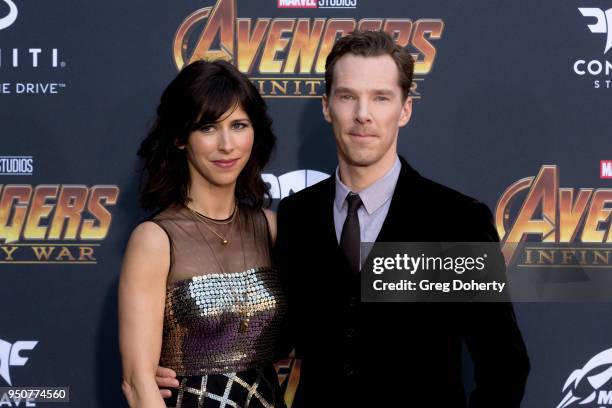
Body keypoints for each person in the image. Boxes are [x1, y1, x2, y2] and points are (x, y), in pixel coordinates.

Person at [157, 31, 530, 407]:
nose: (362, 114)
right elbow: (276, 335)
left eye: (380, 98)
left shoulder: (456, 220)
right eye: (348, 96)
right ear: (326, 106)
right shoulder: (297, 215)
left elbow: (504, 362)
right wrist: (190, 365)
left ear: (405, 110)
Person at [118, 59, 286, 408]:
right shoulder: (155, 240)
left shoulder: (270, 227)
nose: (227, 145)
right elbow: (138, 383)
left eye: (239, 125)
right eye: (208, 128)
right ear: (181, 138)